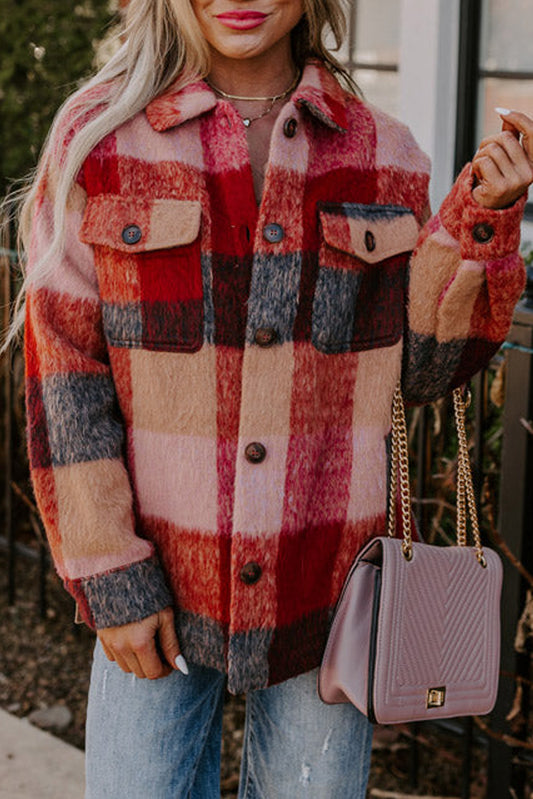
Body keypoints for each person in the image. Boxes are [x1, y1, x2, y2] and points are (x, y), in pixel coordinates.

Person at [11, 0, 533, 796]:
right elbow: (65, 376)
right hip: (156, 582)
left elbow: (424, 371)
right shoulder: (101, 140)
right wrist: (111, 573)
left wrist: (483, 221)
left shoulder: (381, 151)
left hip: (327, 594)